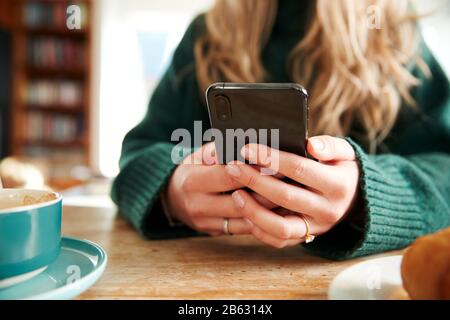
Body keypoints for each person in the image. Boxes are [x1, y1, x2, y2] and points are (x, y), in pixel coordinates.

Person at [111, 0, 450, 260]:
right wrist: (171, 190)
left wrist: (368, 195)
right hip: (214, 273)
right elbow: (139, 152)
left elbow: (444, 166)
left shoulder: (391, 34)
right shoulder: (207, 34)